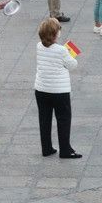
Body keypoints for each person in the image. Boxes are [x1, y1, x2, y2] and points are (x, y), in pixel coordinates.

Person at [32, 17, 80, 159]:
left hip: (41, 89)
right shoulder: (62, 50)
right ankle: (65, 150)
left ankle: (46, 148)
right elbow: (72, 65)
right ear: (54, 34)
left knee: (44, 118)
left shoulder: (38, 46)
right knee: (63, 119)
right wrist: (71, 53)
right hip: (59, 91)